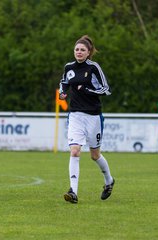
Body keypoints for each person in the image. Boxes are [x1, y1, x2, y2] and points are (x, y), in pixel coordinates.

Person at [59, 35, 115, 204]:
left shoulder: (93, 68)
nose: (79, 52)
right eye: (77, 49)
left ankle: (109, 181)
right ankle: (73, 191)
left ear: (88, 52)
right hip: (75, 114)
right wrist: (63, 93)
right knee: (75, 151)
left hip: (93, 116)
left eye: (83, 50)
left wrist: (88, 90)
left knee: (94, 155)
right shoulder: (69, 67)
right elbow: (64, 82)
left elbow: (106, 89)